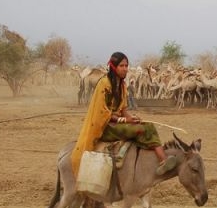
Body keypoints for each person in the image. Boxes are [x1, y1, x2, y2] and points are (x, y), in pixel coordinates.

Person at [71, 51, 179, 179]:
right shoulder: (104, 84)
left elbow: (123, 109)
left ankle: (161, 161)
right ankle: (163, 160)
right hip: (105, 126)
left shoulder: (122, 85)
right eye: (122, 66)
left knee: (146, 125)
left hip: (116, 122)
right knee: (143, 130)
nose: (125, 69)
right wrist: (123, 120)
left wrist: (131, 117)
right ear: (113, 67)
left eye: (126, 66)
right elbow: (102, 113)